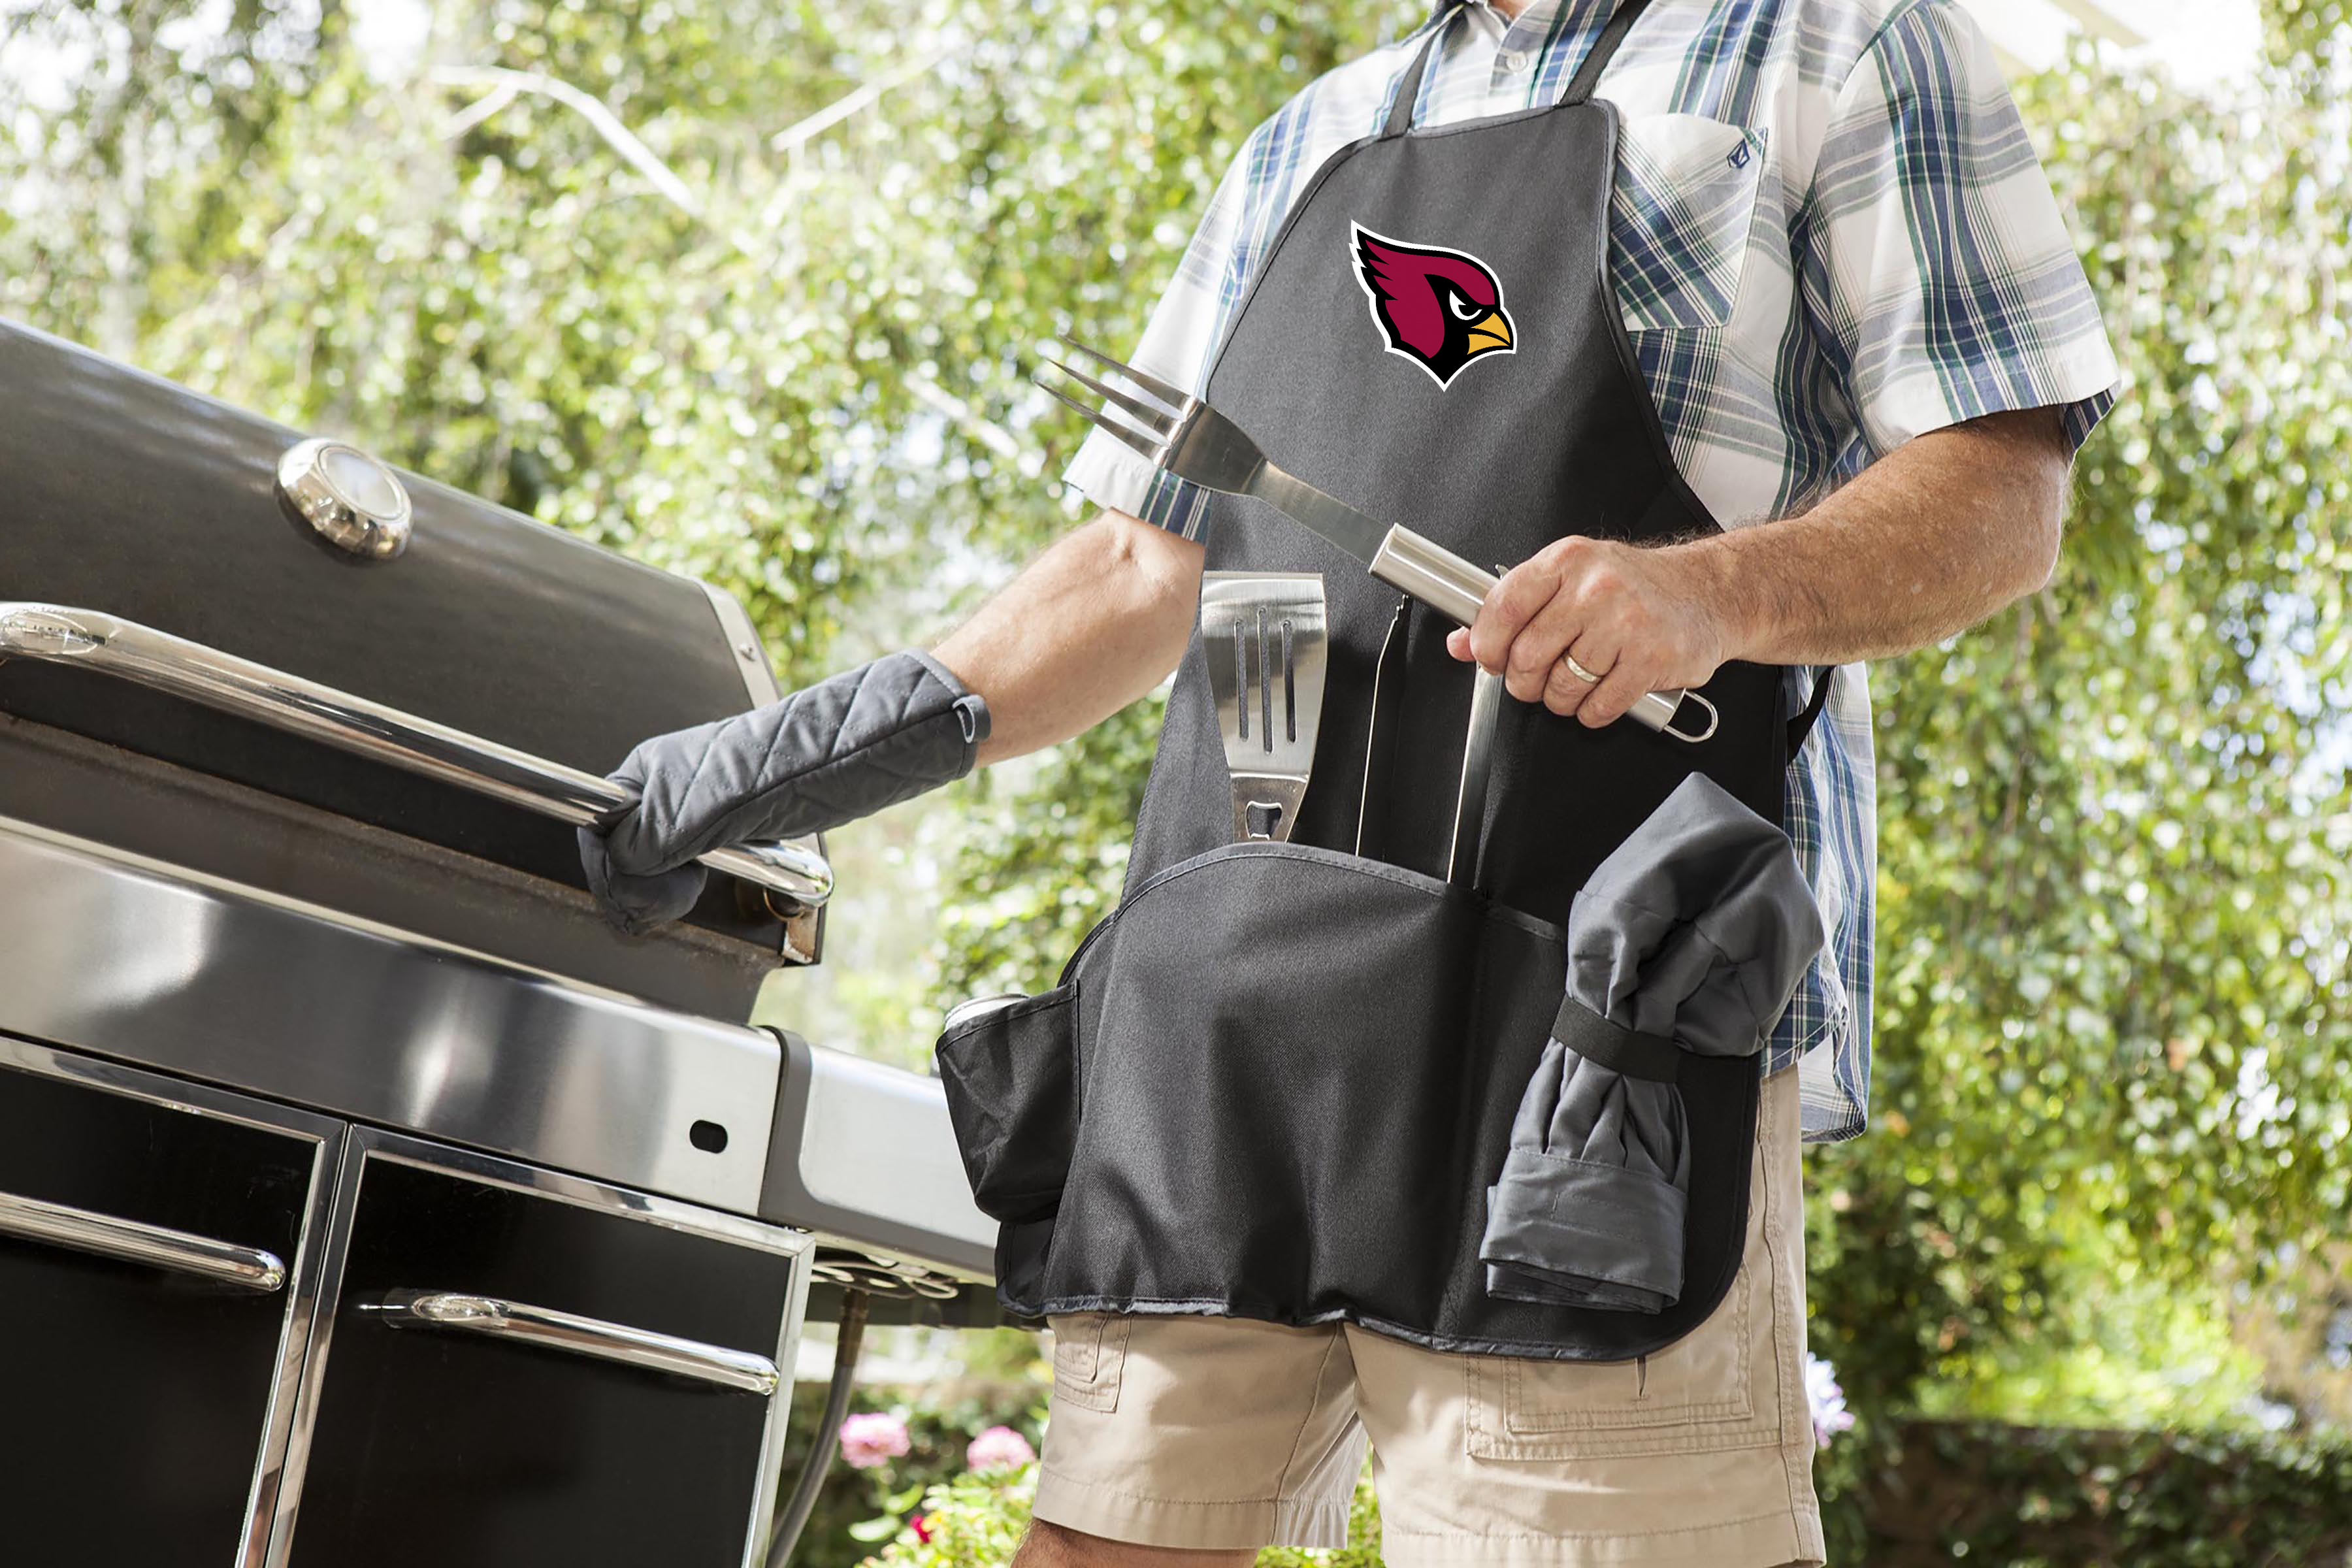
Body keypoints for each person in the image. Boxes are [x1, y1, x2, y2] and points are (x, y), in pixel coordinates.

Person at [580, 2, 2119, 1564]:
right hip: (1223, 1027)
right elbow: (1140, 563)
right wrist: (795, 757)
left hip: (1586, 1036)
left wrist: (1709, 597)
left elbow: (2003, 490)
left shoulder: (1835, 49)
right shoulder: (1318, 133)